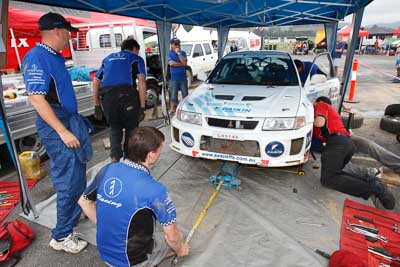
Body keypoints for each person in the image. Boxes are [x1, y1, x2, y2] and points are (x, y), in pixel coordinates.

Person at [22, 12, 91, 253]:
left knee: (78, 172)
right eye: (68, 34)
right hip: (57, 125)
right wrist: (62, 131)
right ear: (57, 31)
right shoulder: (37, 57)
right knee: (68, 179)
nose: (69, 39)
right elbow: (37, 99)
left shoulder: (54, 56)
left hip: (68, 120)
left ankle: (75, 213)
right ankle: (61, 236)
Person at [78, 127, 190, 267]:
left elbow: (84, 201)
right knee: (181, 236)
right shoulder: (155, 190)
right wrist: (180, 250)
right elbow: (171, 236)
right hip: (132, 259)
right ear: (150, 155)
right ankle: (151, 260)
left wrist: (105, 227)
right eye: (160, 149)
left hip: (105, 250)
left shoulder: (108, 169)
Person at [313, 96, 395, 210]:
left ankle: (374, 188)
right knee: (336, 174)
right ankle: (371, 181)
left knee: (329, 179)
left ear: (318, 102)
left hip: (337, 143)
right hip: (344, 144)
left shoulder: (321, 105)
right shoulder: (331, 117)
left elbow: (319, 123)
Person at [93, 38, 147, 162]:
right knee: (131, 128)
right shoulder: (135, 58)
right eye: (137, 51)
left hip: (108, 98)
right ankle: (129, 159)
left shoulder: (107, 59)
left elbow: (96, 81)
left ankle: (115, 158)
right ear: (134, 49)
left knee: (114, 127)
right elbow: (142, 82)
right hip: (127, 96)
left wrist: (97, 104)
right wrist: (142, 107)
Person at [168, 37, 188, 115]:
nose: (177, 46)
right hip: (173, 78)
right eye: (175, 44)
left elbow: (185, 63)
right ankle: (172, 109)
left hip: (183, 77)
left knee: (185, 94)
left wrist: (178, 53)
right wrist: (181, 64)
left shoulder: (182, 53)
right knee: (173, 95)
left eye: (178, 44)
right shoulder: (169, 53)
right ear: (171, 45)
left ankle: (186, 108)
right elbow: (171, 63)